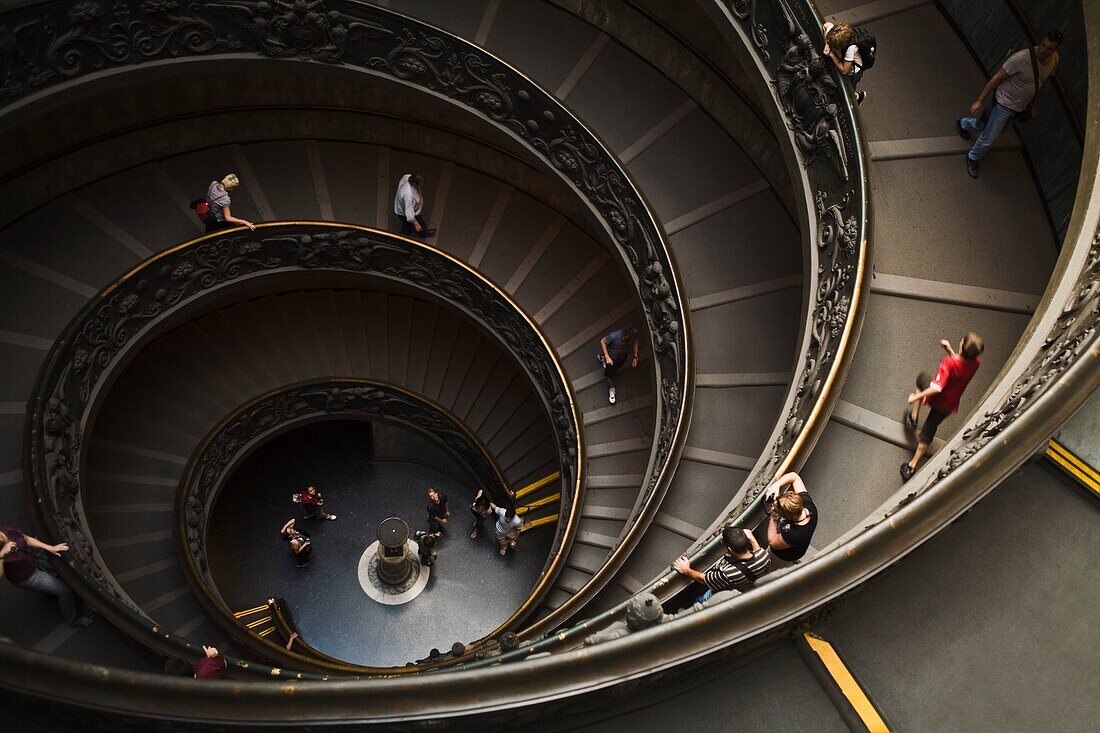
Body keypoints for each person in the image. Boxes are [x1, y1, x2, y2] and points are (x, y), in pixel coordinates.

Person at [957, 31, 1062, 179]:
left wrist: (1034, 103)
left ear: (1055, 50)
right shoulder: (1020, 58)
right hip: (1003, 104)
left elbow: (1040, 83)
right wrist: (979, 100)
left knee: (984, 126)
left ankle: (963, 124)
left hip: (1019, 107)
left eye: (1049, 48)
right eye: (1043, 45)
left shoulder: (1054, 59)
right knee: (989, 137)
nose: (1044, 51)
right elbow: (996, 79)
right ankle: (972, 157)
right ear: (1041, 41)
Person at [901, 333, 984, 481]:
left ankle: (913, 419)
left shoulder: (948, 363)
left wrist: (916, 397)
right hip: (950, 404)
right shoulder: (975, 363)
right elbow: (960, 368)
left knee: (922, 379)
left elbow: (937, 387)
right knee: (931, 427)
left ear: (962, 346)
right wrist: (950, 351)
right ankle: (912, 465)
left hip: (938, 398)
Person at [0, 527, 93, 627]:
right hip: (29, 577)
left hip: (34, 561)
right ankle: (74, 620)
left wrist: (49, 547)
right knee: (64, 590)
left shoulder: (7, 531)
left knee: (61, 569)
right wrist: (1, 555)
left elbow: (26, 539)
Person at [673, 526, 770, 604]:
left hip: (728, 592)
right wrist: (752, 538)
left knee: (702, 599)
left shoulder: (726, 573)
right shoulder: (763, 556)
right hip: (749, 587)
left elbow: (703, 579)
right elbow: (758, 550)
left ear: (730, 549)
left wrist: (685, 569)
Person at [763, 472, 818, 562]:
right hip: (797, 545)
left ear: (786, 516)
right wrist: (777, 485)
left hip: (783, 556)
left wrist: (773, 517)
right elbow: (794, 477)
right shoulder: (808, 506)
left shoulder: (794, 534)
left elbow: (772, 542)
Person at [822, 21, 874, 106]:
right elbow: (826, 25)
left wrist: (832, 54)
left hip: (854, 72)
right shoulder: (836, 32)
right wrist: (827, 44)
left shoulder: (851, 49)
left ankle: (857, 97)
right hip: (848, 63)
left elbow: (844, 70)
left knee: (848, 91)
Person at [599, 325, 639, 405]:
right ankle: (611, 388)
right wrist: (607, 357)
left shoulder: (633, 333)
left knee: (617, 367)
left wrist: (635, 356)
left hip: (622, 356)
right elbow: (603, 341)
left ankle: (602, 358)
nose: (623, 340)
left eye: (626, 339)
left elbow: (635, 342)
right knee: (610, 375)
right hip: (612, 358)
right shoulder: (614, 335)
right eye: (623, 338)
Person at [394, 173, 435, 238]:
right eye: (420, 185)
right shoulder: (408, 195)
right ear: (414, 184)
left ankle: (424, 232)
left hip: (413, 210)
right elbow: (409, 212)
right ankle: (401, 238)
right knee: (407, 228)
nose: (421, 186)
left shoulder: (407, 177)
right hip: (407, 213)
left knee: (418, 222)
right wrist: (415, 223)